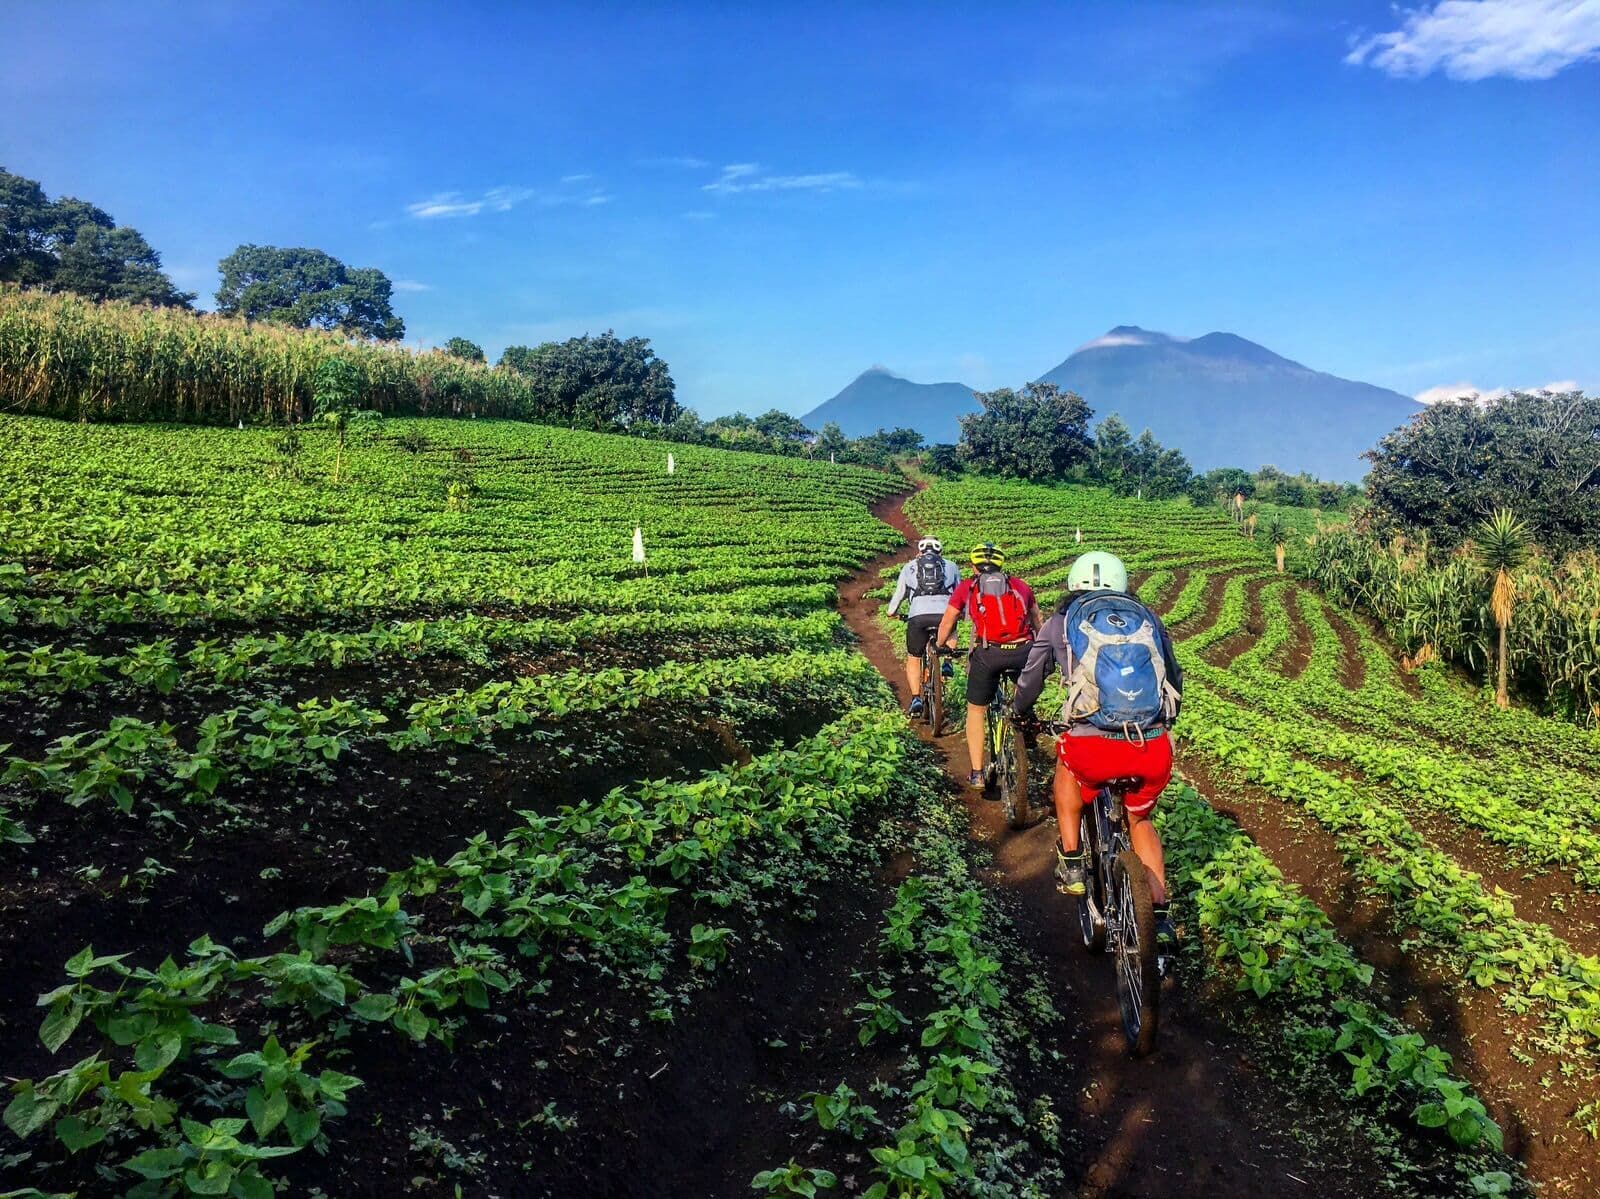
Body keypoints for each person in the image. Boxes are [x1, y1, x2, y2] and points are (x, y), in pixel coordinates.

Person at [1013, 549, 1183, 943]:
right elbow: (1173, 676)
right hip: (1151, 745)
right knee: (1140, 821)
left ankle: (1072, 861)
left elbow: (1032, 677)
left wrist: (1020, 711)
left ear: (1073, 584)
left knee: (1067, 769)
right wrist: (1164, 722)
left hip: (1094, 747)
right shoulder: (1148, 620)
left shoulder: (1061, 623)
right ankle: (1158, 918)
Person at [935, 543, 1044, 788]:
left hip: (989, 653)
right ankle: (1025, 720)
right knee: (1024, 687)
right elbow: (1037, 619)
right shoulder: (1020, 585)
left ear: (973, 566)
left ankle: (976, 772)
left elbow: (948, 620)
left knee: (976, 710)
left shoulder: (968, 587)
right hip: (1023, 651)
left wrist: (939, 644)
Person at [886, 536, 961, 714]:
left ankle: (915, 699)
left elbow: (899, 594)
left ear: (919, 551)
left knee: (914, 657)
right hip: (944, 614)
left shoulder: (909, 567)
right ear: (940, 551)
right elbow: (958, 594)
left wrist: (891, 612)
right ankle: (948, 661)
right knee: (951, 627)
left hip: (918, 616)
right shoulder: (951, 566)